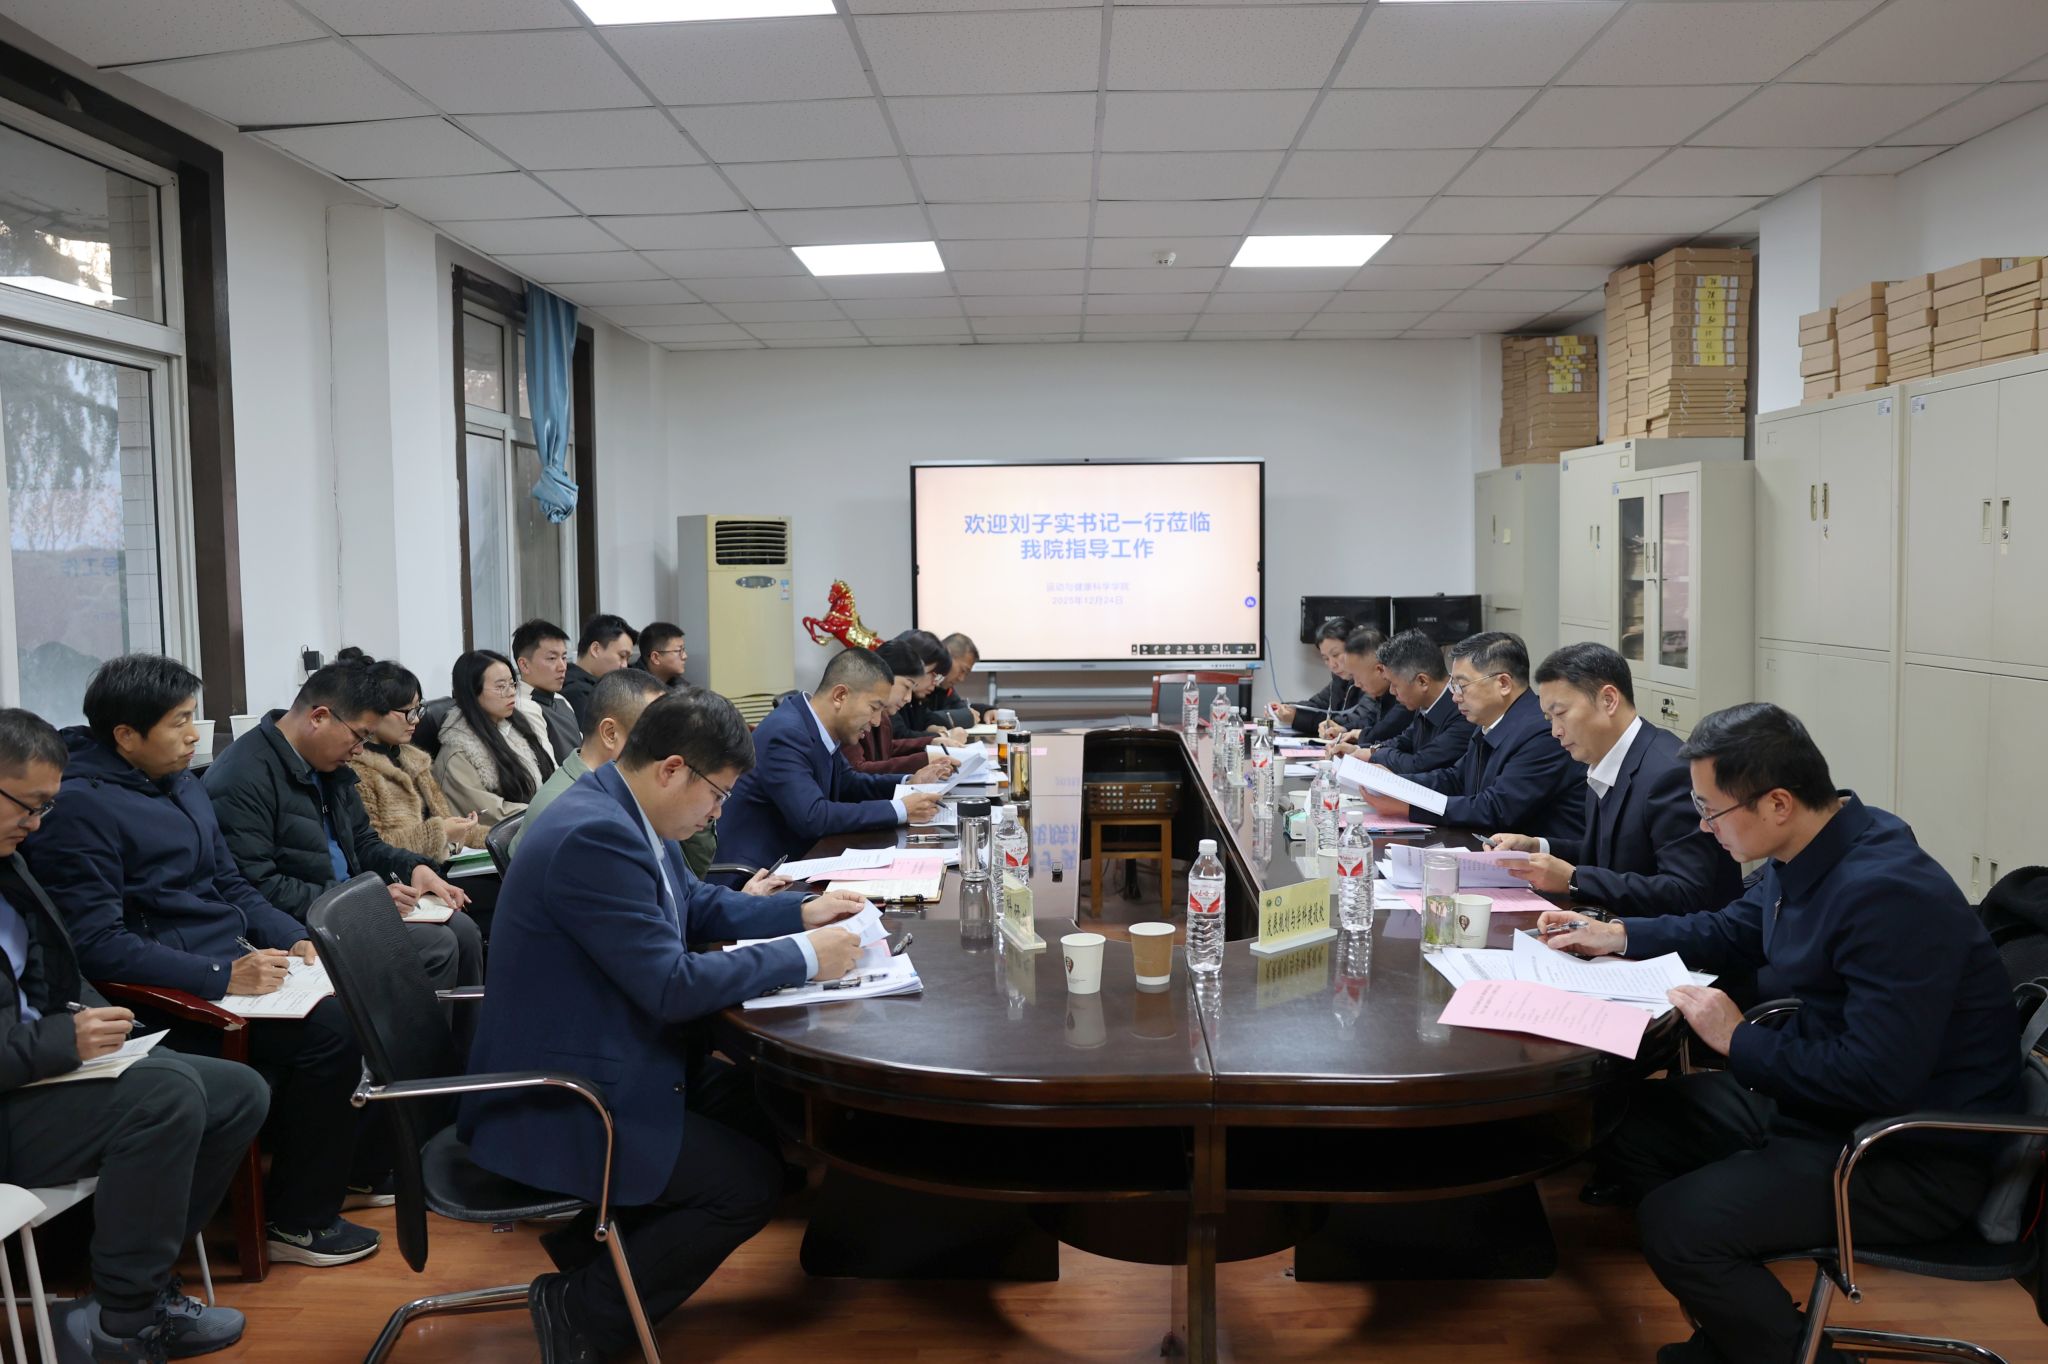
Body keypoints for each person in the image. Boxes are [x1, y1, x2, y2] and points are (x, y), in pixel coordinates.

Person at [1540, 703, 2022, 1364]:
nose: (1703, 827)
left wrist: (1738, 1040)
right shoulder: (1815, 846)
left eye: (1711, 810)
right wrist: (1617, 935)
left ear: (1776, 803)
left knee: (1678, 1227)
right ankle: (1737, 1331)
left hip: (1902, 1151)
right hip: (1819, 1103)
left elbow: (1877, 1075)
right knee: (1624, 1122)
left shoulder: (1888, 894)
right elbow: (1734, 928)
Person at [461, 687, 871, 1363]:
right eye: (718, 793)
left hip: (614, 1051)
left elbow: (694, 906)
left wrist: (799, 914)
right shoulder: (594, 835)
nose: (719, 811)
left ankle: (595, 1248)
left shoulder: (625, 808)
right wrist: (803, 957)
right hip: (561, 1093)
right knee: (744, 1187)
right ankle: (581, 1312)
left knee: (762, 1109)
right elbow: (670, 986)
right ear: (673, 769)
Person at [25, 655, 380, 1268]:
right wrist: (219, 976)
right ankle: (296, 1221)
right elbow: (98, 943)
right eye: (179, 723)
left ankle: (355, 1175)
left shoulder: (181, 782)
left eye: (194, 717)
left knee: (356, 991)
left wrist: (297, 937)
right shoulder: (80, 807)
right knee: (332, 1032)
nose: (195, 735)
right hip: (168, 997)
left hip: (232, 968)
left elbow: (231, 884)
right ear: (126, 735)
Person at [0, 707, 267, 1361]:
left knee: (238, 1091)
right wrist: (62, 1043)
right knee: (166, 1095)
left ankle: (137, 1282)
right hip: (12, 1094)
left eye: (45, 809)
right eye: (28, 807)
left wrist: (99, 1022)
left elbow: (56, 968)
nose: (36, 825)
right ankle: (123, 1320)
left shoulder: (9, 864)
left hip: (37, 1073)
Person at [203, 659, 484, 997]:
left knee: (463, 930)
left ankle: (468, 1032)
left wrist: (414, 868)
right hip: (303, 921)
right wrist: (364, 901)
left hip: (346, 902)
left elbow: (363, 842)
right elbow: (258, 885)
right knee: (436, 945)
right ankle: (412, 1034)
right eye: (359, 736)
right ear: (319, 717)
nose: (359, 751)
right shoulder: (242, 776)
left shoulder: (328, 763)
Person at [1488, 643, 1741, 918]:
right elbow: (1610, 855)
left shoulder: (1668, 773)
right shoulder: (1606, 759)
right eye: (1549, 719)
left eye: (1560, 714)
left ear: (1608, 700)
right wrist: (1537, 847)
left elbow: (1685, 893)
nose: (1555, 731)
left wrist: (1574, 878)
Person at [714, 648, 944, 875]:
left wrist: (908, 782)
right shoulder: (786, 733)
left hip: (799, 858)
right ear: (840, 696)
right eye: (874, 708)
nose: (876, 721)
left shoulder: (812, 723)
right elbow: (813, 817)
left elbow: (848, 782)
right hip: (756, 875)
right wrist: (900, 809)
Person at [1357, 631, 1586, 845]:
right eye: (1453, 686)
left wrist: (1408, 807)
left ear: (1503, 684)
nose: (1455, 697)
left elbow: (1495, 808)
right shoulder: (1490, 720)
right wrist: (1396, 784)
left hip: (1544, 864)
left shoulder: (1541, 733)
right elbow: (1455, 779)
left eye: (1461, 686)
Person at [339, 651, 486, 861]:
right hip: (405, 873)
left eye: (418, 710)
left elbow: (446, 823)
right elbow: (374, 848)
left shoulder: (415, 760)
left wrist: (486, 834)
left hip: (441, 862)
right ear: (374, 711)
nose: (416, 720)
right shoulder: (357, 771)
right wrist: (441, 832)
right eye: (408, 712)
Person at [515, 668, 665, 855]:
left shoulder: (617, 787)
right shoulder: (566, 809)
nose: (664, 747)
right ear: (610, 734)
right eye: (653, 735)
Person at [435, 650, 557, 830]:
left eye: (512, 684)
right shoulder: (458, 752)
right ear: (472, 692)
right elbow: (490, 813)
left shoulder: (514, 726)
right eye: (501, 687)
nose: (511, 692)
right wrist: (548, 813)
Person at [1332, 629, 1473, 773]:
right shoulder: (1424, 703)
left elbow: (1419, 764)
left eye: (1395, 684)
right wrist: (1360, 750)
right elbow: (1403, 741)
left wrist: (1374, 755)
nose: (1392, 691)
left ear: (1422, 681)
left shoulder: (1464, 712)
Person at [848, 641, 961, 778]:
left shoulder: (884, 716)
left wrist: (931, 742)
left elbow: (887, 748)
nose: (908, 698)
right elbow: (857, 772)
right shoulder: (853, 712)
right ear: (884, 675)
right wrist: (924, 760)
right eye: (907, 687)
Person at [1271, 619, 1356, 735]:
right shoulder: (1339, 679)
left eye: (1336, 655)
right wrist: (1286, 707)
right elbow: (1316, 705)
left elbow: (1356, 721)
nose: (1332, 665)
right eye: (1326, 658)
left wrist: (1296, 718)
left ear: (1355, 648)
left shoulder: (1369, 680)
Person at [512, 618, 580, 763]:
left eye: (564, 657)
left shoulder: (561, 700)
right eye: (552, 658)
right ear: (524, 665)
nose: (562, 667)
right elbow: (549, 768)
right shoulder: (523, 707)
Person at [564, 614, 637, 730]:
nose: (624, 666)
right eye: (622, 656)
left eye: (627, 659)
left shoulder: (602, 688)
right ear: (595, 649)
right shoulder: (577, 693)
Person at [1319, 627, 1391, 739]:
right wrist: (1343, 729)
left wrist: (1359, 736)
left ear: (1379, 669)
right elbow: (1369, 721)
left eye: (1357, 676)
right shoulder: (1381, 695)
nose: (1357, 684)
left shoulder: (1403, 697)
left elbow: (1385, 731)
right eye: (1326, 658)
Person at [929, 632, 980, 726]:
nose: (961, 679)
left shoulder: (943, 686)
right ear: (947, 656)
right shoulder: (919, 682)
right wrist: (965, 717)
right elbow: (922, 719)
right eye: (962, 670)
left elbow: (958, 706)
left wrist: (986, 711)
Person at [636, 622, 688, 688]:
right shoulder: (631, 689)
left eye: (683, 649)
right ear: (655, 658)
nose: (685, 656)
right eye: (678, 651)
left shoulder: (681, 687)